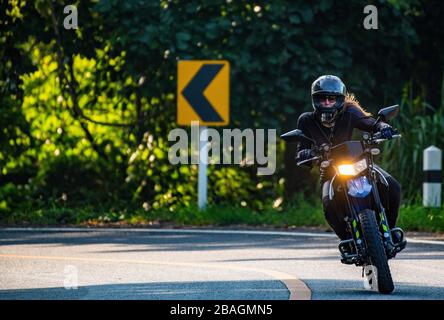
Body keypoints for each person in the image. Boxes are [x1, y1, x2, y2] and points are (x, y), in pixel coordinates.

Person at [296, 75, 401, 241]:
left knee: (393, 187)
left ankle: (391, 228)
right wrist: (305, 154)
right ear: (315, 100)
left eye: (332, 99)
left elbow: (371, 124)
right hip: (330, 171)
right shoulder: (306, 120)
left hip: (358, 164)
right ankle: (347, 239)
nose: (327, 102)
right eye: (323, 99)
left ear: (340, 99)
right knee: (328, 206)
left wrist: (383, 127)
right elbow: (302, 148)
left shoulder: (350, 112)